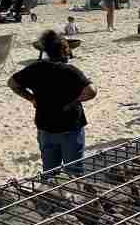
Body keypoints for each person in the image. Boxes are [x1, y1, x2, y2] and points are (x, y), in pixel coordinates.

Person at [8, 31, 97, 174]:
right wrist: (74, 101)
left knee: (50, 172)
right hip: (70, 127)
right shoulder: (71, 71)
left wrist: (31, 98)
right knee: (74, 172)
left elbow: (12, 83)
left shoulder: (35, 68)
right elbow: (91, 91)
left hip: (45, 127)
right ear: (64, 50)